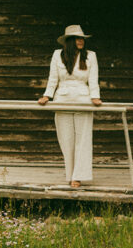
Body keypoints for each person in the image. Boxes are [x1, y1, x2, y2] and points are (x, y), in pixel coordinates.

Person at [38, 25, 101, 188]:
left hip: (83, 98)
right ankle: (70, 173)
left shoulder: (90, 56)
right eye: (77, 38)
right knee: (66, 139)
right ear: (69, 41)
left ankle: (78, 176)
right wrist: (47, 95)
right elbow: (53, 77)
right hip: (62, 98)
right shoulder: (57, 55)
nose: (81, 41)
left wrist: (95, 96)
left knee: (83, 138)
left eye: (82, 39)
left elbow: (93, 78)